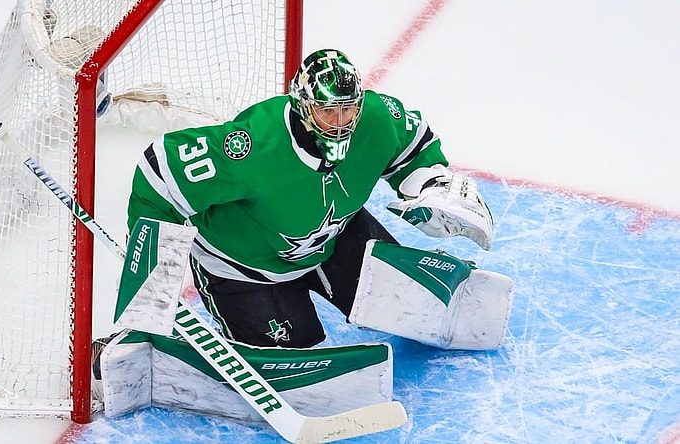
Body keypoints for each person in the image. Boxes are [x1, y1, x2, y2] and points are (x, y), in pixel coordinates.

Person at [123, 48, 498, 349]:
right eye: (326, 110)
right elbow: (159, 175)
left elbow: (414, 149)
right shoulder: (253, 147)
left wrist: (430, 183)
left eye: (348, 108)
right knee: (297, 350)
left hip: (333, 239)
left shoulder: (378, 118)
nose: (340, 121)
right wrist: (153, 274)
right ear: (303, 105)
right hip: (246, 269)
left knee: (414, 305)